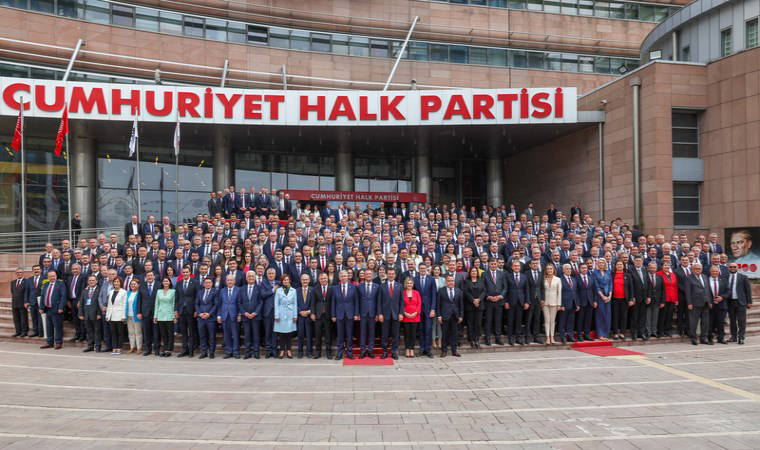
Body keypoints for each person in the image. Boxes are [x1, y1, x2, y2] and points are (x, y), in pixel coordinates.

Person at [331, 270, 358, 360]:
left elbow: (356, 302)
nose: (343, 278)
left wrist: (356, 314)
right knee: (340, 335)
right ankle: (339, 353)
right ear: (339, 278)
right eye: (342, 276)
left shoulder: (353, 287)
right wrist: (333, 315)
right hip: (339, 315)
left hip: (350, 314)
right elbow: (333, 302)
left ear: (348, 277)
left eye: (345, 276)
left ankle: (349, 353)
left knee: (349, 335)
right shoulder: (335, 288)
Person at [378, 267, 403, 360]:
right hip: (385, 314)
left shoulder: (399, 286)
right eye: (389, 274)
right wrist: (380, 314)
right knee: (384, 334)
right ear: (386, 275)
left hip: (396, 314)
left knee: (395, 334)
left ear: (395, 275)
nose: (391, 275)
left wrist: (401, 313)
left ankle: (394, 351)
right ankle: (384, 351)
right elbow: (379, 301)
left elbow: (401, 301)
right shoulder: (382, 286)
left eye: (392, 274)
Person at [437, 274, 463, 357]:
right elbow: (438, 304)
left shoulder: (459, 291)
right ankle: (444, 351)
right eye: (449, 281)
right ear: (446, 282)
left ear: (454, 282)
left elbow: (461, 305)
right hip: (445, 315)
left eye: (452, 281)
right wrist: (439, 315)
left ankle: (454, 351)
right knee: (445, 334)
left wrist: (461, 316)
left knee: (455, 334)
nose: (450, 282)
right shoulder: (441, 290)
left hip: (455, 316)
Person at [726, 262, 753, 344]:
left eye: (734, 267)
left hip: (741, 302)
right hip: (730, 302)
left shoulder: (743, 277)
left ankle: (741, 337)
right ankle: (733, 337)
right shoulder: (725, 277)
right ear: (728, 268)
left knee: (741, 321)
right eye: (731, 267)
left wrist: (749, 302)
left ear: (737, 268)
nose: (732, 268)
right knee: (732, 320)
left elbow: (748, 290)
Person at [174, 267, 198, 358]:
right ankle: (184, 350)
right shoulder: (179, 283)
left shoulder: (195, 282)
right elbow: (176, 298)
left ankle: (191, 350)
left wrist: (196, 310)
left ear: (190, 273)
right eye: (183, 272)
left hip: (191, 310)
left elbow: (197, 297)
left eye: (187, 272)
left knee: (191, 332)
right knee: (183, 332)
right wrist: (176, 310)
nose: (185, 274)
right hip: (181, 310)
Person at [39, 270, 67, 350]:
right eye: (50, 276)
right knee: (49, 327)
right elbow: (42, 296)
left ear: (56, 276)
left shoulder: (60, 284)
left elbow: (63, 296)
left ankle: (58, 342)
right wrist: (41, 307)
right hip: (47, 309)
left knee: (57, 327)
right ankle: (49, 342)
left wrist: (61, 307)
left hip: (57, 309)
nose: (52, 277)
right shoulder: (46, 284)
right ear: (48, 277)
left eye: (53, 276)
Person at [414, 263, 437, 357]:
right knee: (420, 329)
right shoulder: (415, 279)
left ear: (426, 269)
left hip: (428, 309)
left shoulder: (431, 279)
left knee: (428, 328)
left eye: (424, 268)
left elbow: (434, 295)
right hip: (418, 309)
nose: (422, 269)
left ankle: (428, 349)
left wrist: (433, 309)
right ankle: (422, 349)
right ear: (418, 269)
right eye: (421, 268)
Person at [686, 264, 712, 345]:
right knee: (693, 322)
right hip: (695, 303)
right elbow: (687, 292)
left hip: (705, 303)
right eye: (696, 268)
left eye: (699, 268)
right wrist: (689, 303)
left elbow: (708, 289)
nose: (698, 270)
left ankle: (704, 338)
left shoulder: (705, 277)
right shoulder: (689, 278)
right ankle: (693, 338)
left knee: (705, 322)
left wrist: (710, 301)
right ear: (692, 269)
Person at [483, 259, 507, 346]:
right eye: (491, 264)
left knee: (498, 320)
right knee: (488, 320)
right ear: (489, 264)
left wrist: (500, 296)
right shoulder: (484, 274)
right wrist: (488, 296)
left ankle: (498, 338)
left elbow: (505, 287)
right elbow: (483, 287)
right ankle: (487, 338)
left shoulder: (502, 273)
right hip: (489, 301)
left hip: (499, 301)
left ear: (497, 264)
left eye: (494, 264)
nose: (493, 265)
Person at [217, 274, 241, 359]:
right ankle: (228, 351)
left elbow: (240, 303)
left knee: (235, 335)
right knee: (226, 335)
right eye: (228, 280)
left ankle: (236, 352)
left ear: (234, 281)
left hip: (234, 315)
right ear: (226, 281)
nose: (229, 281)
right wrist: (219, 315)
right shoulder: (222, 291)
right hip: (225, 315)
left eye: (231, 280)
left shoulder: (238, 290)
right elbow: (219, 304)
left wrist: (239, 314)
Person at [238, 271, 261, 359]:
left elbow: (260, 302)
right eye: (249, 276)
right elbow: (239, 303)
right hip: (246, 316)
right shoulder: (242, 289)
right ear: (246, 278)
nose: (251, 277)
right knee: (247, 335)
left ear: (255, 278)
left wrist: (255, 312)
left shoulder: (259, 288)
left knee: (256, 335)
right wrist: (244, 313)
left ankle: (256, 352)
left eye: (252, 276)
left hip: (256, 316)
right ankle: (247, 353)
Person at [310, 272, 333, 359]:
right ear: (319, 280)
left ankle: (328, 352)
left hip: (328, 315)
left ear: (327, 279)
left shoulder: (332, 288)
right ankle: (318, 352)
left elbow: (333, 302)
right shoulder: (315, 289)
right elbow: (313, 302)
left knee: (328, 335)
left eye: (325, 278)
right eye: (322, 279)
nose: (323, 280)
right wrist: (312, 313)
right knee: (318, 334)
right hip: (318, 315)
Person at [274, 274, 298, 359]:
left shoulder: (293, 290)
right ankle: (281, 351)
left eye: (287, 280)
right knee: (282, 333)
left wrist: (295, 315)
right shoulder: (278, 290)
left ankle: (288, 350)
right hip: (281, 313)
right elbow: (276, 303)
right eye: (284, 280)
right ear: (282, 281)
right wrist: (276, 315)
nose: (286, 281)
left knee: (289, 333)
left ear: (289, 281)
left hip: (290, 313)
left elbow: (295, 303)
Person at [357, 269, 378, 359]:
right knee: (362, 332)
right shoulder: (359, 286)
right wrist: (357, 313)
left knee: (372, 332)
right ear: (364, 276)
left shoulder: (377, 286)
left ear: (372, 276)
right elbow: (357, 301)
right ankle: (362, 350)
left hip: (373, 313)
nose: (368, 275)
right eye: (367, 274)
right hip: (362, 313)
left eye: (370, 274)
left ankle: (370, 350)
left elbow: (378, 301)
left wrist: (378, 313)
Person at [462, 266, 485, 348]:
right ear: (470, 273)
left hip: (480, 305)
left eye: (475, 271)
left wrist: (479, 300)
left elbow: (484, 291)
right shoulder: (466, 281)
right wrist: (473, 300)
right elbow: (466, 292)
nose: (474, 272)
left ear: (477, 272)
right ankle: (471, 339)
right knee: (470, 323)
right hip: (469, 305)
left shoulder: (481, 280)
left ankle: (477, 339)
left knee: (478, 323)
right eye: (472, 271)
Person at [195, 277, 218, 359]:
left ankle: (211, 352)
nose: (207, 284)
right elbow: (196, 304)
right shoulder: (200, 292)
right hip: (201, 318)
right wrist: (200, 313)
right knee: (202, 336)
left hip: (211, 318)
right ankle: (203, 352)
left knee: (211, 336)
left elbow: (216, 305)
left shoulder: (215, 292)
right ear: (203, 284)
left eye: (209, 282)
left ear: (212, 284)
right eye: (206, 282)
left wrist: (209, 314)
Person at [78, 275, 101, 352]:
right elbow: (81, 303)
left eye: (93, 280)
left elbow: (100, 303)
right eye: (90, 280)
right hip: (86, 314)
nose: (91, 282)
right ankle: (90, 346)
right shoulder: (85, 291)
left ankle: (97, 346)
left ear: (96, 281)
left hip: (96, 314)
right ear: (88, 282)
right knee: (89, 331)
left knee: (97, 331)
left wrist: (99, 313)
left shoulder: (99, 290)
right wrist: (80, 314)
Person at [137, 271, 158, 356]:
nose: (150, 277)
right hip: (145, 312)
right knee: (146, 332)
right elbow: (139, 300)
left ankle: (156, 349)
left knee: (156, 332)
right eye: (148, 276)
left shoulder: (159, 285)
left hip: (156, 312)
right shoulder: (142, 285)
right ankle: (148, 350)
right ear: (146, 277)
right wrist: (139, 312)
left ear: (154, 276)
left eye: (151, 275)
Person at [706, 265, 729, 345]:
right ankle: (710, 338)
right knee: (710, 323)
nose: (715, 273)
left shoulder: (723, 280)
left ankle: (721, 338)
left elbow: (728, 291)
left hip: (721, 305)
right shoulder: (706, 280)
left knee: (720, 322)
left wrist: (722, 297)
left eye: (716, 271)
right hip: (710, 305)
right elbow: (704, 292)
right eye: (713, 271)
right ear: (710, 272)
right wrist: (708, 301)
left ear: (718, 272)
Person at [154, 277, 176, 357]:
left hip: (170, 314)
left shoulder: (173, 291)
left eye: (167, 281)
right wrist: (155, 316)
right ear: (162, 283)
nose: (165, 282)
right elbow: (157, 303)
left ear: (169, 282)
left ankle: (169, 350)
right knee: (163, 334)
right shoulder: (159, 291)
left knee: (170, 334)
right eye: (164, 281)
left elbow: (174, 304)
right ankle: (165, 349)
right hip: (160, 315)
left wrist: (174, 316)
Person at [105, 277, 127, 355]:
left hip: (120, 315)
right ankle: (114, 348)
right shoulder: (111, 292)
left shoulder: (124, 292)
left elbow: (125, 304)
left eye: (118, 282)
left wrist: (123, 316)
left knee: (120, 333)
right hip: (111, 315)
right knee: (113, 333)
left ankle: (119, 348)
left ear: (120, 283)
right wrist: (107, 315)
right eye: (115, 282)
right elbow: (109, 304)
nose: (116, 283)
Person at [610, 260, 631, 340]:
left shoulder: (627, 275)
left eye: (621, 264)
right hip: (614, 299)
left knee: (624, 316)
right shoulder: (612, 275)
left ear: (623, 266)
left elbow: (631, 287)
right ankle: (615, 333)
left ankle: (622, 333)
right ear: (615, 266)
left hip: (624, 299)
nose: (619, 266)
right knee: (615, 316)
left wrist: (631, 298)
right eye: (618, 264)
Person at [575, 263, 596, 342]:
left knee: (588, 319)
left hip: (590, 302)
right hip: (581, 302)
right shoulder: (576, 278)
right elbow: (575, 292)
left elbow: (594, 290)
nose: (584, 269)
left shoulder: (591, 278)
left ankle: (587, 334)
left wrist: (594, 301)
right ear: (579, 269)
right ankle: (579, 334)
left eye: (585, 268)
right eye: (582, 268)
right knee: (580, 319)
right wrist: (577, 303)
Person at [542, 264, 562, 345]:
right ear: (546, 270)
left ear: (553, 270)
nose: (549, 270)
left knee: (553, 321)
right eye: (548, 269)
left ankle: (552, 337)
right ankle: (547, 337)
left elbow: (559, 292)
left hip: (554, 302)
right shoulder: (543, 279)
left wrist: (559, 304)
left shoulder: (558, 279)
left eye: (551, 269)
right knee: (547, 320)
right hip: (545, 303)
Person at [593, 259, 612, 341]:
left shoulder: (608, 272)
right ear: (597, 264)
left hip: (608, 297)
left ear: (605, 264)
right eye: (599, 263)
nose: (601, 264)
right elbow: (596, 286)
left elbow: (610, 284)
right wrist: (603, 296)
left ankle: (606, 334)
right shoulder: (595, 273)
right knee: (600, 315)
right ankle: (600, 334)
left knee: (607, 315)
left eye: (602, 263)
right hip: (599, 296)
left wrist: (609, 296)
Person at [296, 273, 314, 359]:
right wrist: (299, 311)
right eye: (303, 279)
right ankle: (300, 352)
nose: (305, 281)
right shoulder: (296, 291)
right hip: (300, 316)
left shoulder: (313, 290)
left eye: (306, 279)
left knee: (309, 335)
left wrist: (309, 311)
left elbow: (314, 303)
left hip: (309, 316)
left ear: (309, 280)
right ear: (300, 280)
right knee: (300, 334)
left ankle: (309, 352)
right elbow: (293, 303)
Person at [124, 278, 143, 354]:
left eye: (134, 284)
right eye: (131, 284)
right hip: (128, 315)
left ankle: (139, 348)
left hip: (136, 315)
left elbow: (141, 304)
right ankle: (132, 347)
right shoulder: (128, 293)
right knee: (131, 332)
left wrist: (140, 313)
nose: (133, 285)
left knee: (138, 332)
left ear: (138, 285)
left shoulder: (139, 293)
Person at [10, 268, 28, 337]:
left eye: (20, 272)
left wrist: (26, 302)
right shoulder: (13, 282)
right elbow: (13, 292)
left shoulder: (26, 281)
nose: (19, 274)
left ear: (23, 273)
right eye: (17, 272)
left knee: (23, 318)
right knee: (16, 318)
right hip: (14, 303)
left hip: (23, 303)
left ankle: (24, 331)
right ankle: (18, 331)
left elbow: (26, 292)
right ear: (16, 274)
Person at [431, 265, 445, 350]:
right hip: (432, 304)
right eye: (435, 270)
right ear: (433, 271)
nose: (436, 271)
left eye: (438, 270)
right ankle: (433, 340)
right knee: (433, 324)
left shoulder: (443, 280)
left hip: (441, 304)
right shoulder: (430, 279)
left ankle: (439, 340)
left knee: (440, 323)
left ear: (440, 271)